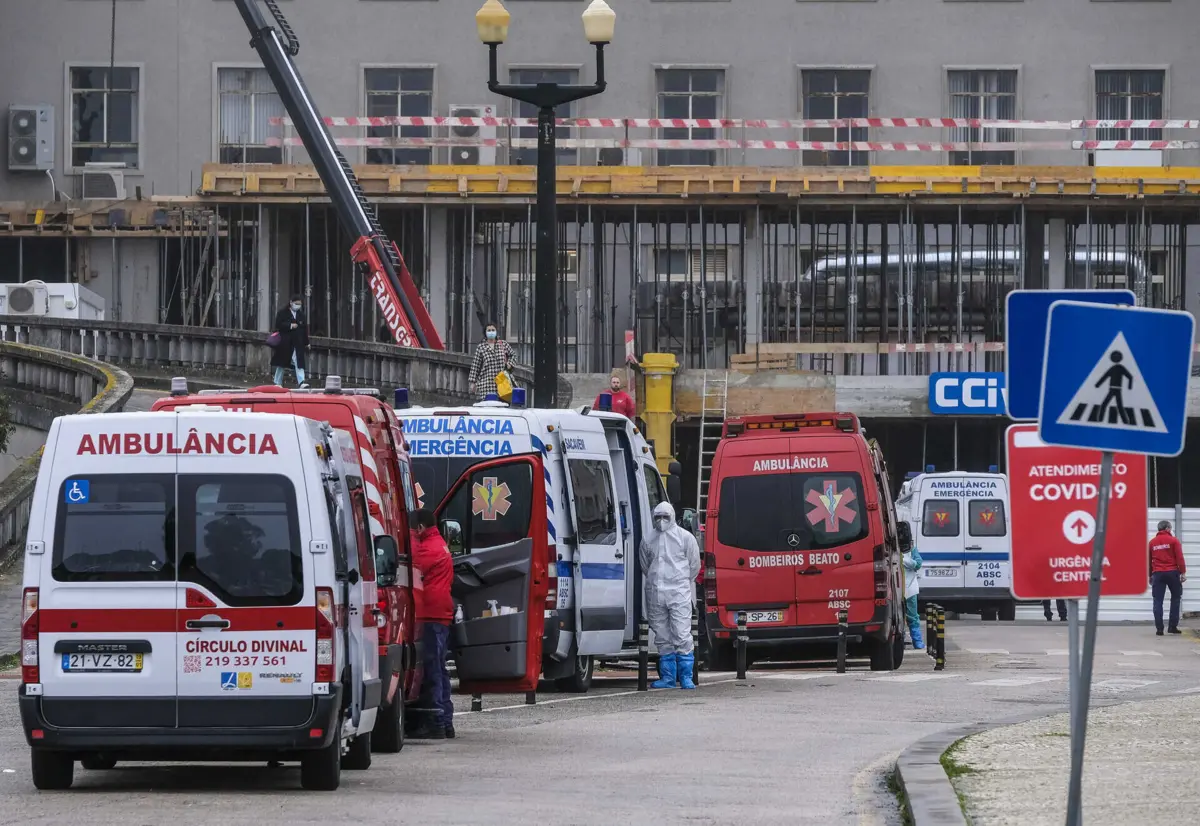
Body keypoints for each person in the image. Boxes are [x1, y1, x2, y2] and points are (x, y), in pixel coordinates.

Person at [640, 502, 701, 690]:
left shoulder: (685, 538)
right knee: (661, 635)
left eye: (665, 517)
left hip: (678, 593)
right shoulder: (648, 539)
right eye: (657, 517)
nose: (661, 521)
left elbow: (694, 565)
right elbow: (645, 565)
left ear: (672, 516)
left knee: (682, 634)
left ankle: (686, 677)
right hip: (655, 593)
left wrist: (680, 582)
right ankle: (667, 677)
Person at [410, 508, 456, 739]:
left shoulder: (427, 548)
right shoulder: (440, 544)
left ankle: (435, 721)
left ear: (420, 528)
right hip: (441, 613)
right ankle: (446, 721)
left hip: (430, 614)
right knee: (440, 668)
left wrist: (408, 539)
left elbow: (411, 568)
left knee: (431, 670)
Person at [1149, 520, 1187, 636]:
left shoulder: (1152, 543)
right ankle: (1172, 626)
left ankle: (1159, 629)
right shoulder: (1174, 541)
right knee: (1176, 598)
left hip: (1158, 573)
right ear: (1167, 529)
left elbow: (1148, 560)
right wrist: (1183, 572)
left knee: (1157, 600)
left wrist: (1150, 575)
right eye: (1170, 528)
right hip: (1172, 573)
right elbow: (1179, 557)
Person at [467, 323, 516, 400]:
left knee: (504, 404)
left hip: (503, 382)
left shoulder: (503, 344)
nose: (491, 332)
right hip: (487, 384)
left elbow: (513, 355)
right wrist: (472, 382)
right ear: (485, 333)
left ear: (496, 332)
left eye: (493, 330)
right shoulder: (481, 347)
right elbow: (475, 366)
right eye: (489, 330)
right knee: (489, 405)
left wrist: (510, 363)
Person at [271, 295, 309, 388]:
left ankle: (301, 382)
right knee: (282, 363)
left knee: (299, 362)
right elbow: (278, 325)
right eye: (296, 303)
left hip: (298, 343)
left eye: (299, 304)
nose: (298, 306)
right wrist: (290, 326)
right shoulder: (282, 313)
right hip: (285, 342)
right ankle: (277, 382)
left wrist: (307, 342)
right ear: (291, 302)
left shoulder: (301, 315)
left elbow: (304, 330)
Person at [898, 522, 924, 650]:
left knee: (913, 616)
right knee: (898, 617)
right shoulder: (892, 548)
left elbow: (918, 564)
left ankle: (917, 641)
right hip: (897, 588)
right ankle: (900, 640)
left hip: (910, 588)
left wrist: (904, 560)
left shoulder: (912, 549)